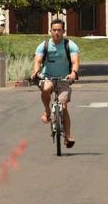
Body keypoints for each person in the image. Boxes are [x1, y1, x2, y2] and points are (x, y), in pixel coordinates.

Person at [30, 19, 80, 149]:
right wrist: (36, 72)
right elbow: (38, 61)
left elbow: (75, 62)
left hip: (64, 78)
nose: (56, 32)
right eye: (54, 30)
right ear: (50, 31)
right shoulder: (44, 45)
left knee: (63, 107)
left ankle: (68, 137)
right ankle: (47, 112)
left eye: (59, 30)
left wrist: (73, 73)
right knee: (45, 89)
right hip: (48, 77)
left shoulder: (70, 45)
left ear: (64, 31)